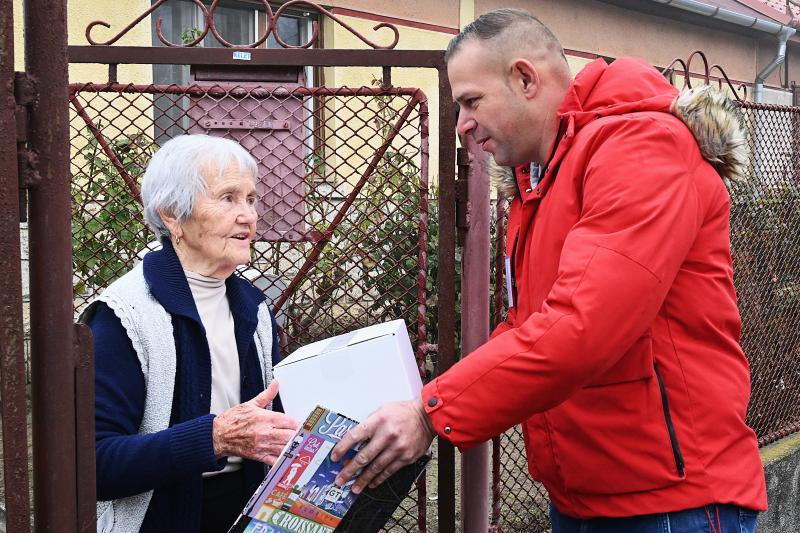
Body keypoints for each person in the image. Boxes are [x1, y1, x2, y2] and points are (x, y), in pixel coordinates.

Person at [332, 8, 766, 532]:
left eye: (471, 101)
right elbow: (526, 324)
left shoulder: (638, 148)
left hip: (672, 503)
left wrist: (430, 413)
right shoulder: (540, 180)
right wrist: (432, 399)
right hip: (588, 494)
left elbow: (582, 327)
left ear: (525, 78)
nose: (463, 124)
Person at [87, 134, 300, 533]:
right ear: (171, 214)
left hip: (251, 512)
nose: (249, 217)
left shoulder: (253, 307)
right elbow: (95, 463)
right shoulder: (124, 316)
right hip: (161, 518)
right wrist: (214, 438)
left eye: (251, 199)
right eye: (228, 198)